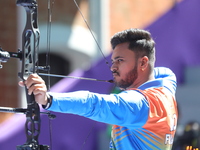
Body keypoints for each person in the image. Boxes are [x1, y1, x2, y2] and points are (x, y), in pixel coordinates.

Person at [19, 28, 178, 150]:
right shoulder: (166, 84)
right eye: (113, 61)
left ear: (143, 63)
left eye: (120, 60)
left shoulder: (138, 105)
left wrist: (48, 100)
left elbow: (94, 103)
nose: (113, 68)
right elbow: (163, 72)